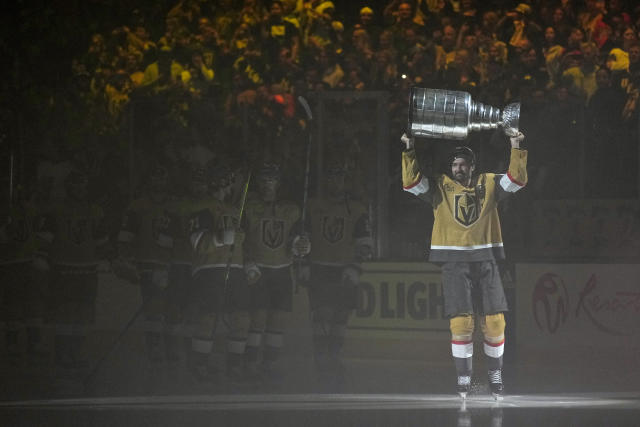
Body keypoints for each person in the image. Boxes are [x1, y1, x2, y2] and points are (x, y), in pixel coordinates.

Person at [400, 130, 527, 400]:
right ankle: (464, 377)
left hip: (486, 259)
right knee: (461, 322)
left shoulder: (488, 183)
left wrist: (516, 146)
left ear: (473, 166)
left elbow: (517, 179)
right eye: (454, 164)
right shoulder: (440, 187)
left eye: (463, 164)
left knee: (495, 322)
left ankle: (495, 374)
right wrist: (409, 150)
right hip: (454, 262)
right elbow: (411, 183)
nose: (458, 168)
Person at [298, 163, 373, 387]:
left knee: (340, 318)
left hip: (344, 269)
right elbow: (303, 239)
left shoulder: (357, 210)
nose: (335, 183)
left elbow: (365, 244)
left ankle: (334, 358)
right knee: (322, 317)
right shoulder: (312, 206)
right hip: (320, 268)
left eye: (339, 178)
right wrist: (302, 263)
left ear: (345, 181)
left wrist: (355, 266)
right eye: (331, 178)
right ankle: (322, 361)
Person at [242, 163, 301, 380]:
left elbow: (295, 238)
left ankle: (269, 364)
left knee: (278, 320)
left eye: (272, 180)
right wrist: (247, 263)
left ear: (279, 183)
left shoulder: (291, 209)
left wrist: (300, 245)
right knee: (257, 319)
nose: (268, 185)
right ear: (258, 183)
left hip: (282, 271)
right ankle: (249, 364)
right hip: (258, 269)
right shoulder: (248, 207)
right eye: (264, 180)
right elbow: (242, 238)